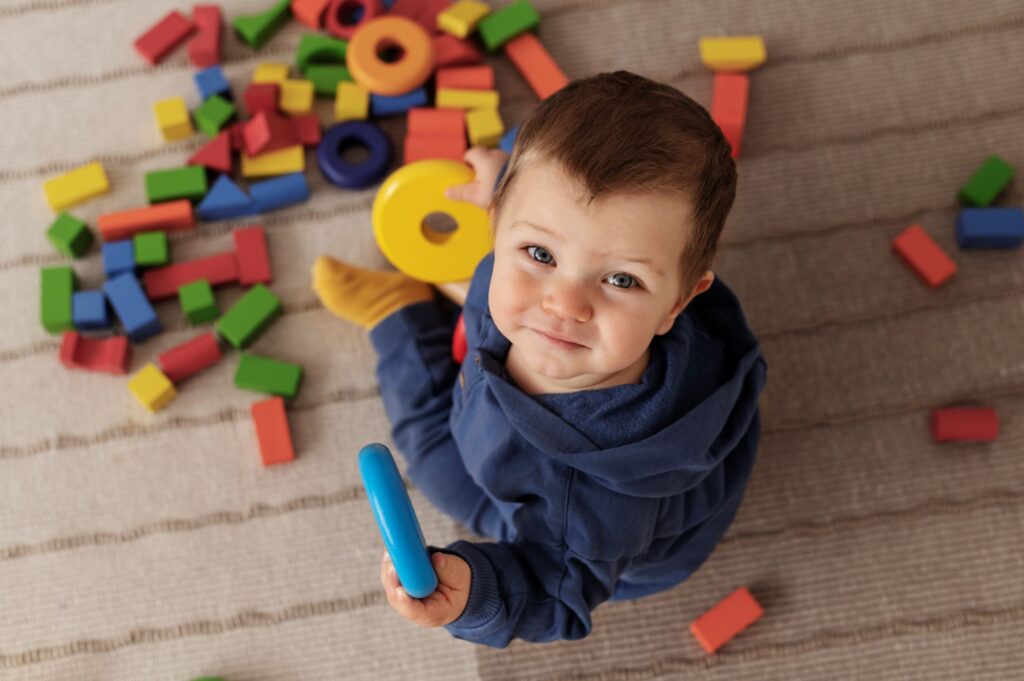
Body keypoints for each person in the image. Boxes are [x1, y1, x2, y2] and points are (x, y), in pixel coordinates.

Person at [312, 71, 767, 647]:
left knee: (431, 460)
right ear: (498, 218)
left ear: (679, 301)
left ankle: (395, 313)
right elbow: (559, 208)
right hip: (506, 386)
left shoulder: (597, 500)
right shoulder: (569, 279)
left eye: (621, 279)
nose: (564, 304)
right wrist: (505, 176)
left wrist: (473, 594)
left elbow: (554, 597)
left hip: (578, 543)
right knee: (494, 304)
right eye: (540, 252)